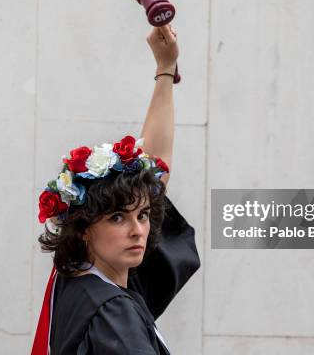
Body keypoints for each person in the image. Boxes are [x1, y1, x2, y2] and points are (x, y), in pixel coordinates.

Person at [31, 24, 201, 355]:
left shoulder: (78, 280)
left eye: (143, 215)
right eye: (117, 218)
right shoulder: (112, 313)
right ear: (83, 228)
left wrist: (165, 69)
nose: (138, 231)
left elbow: (158, 164)